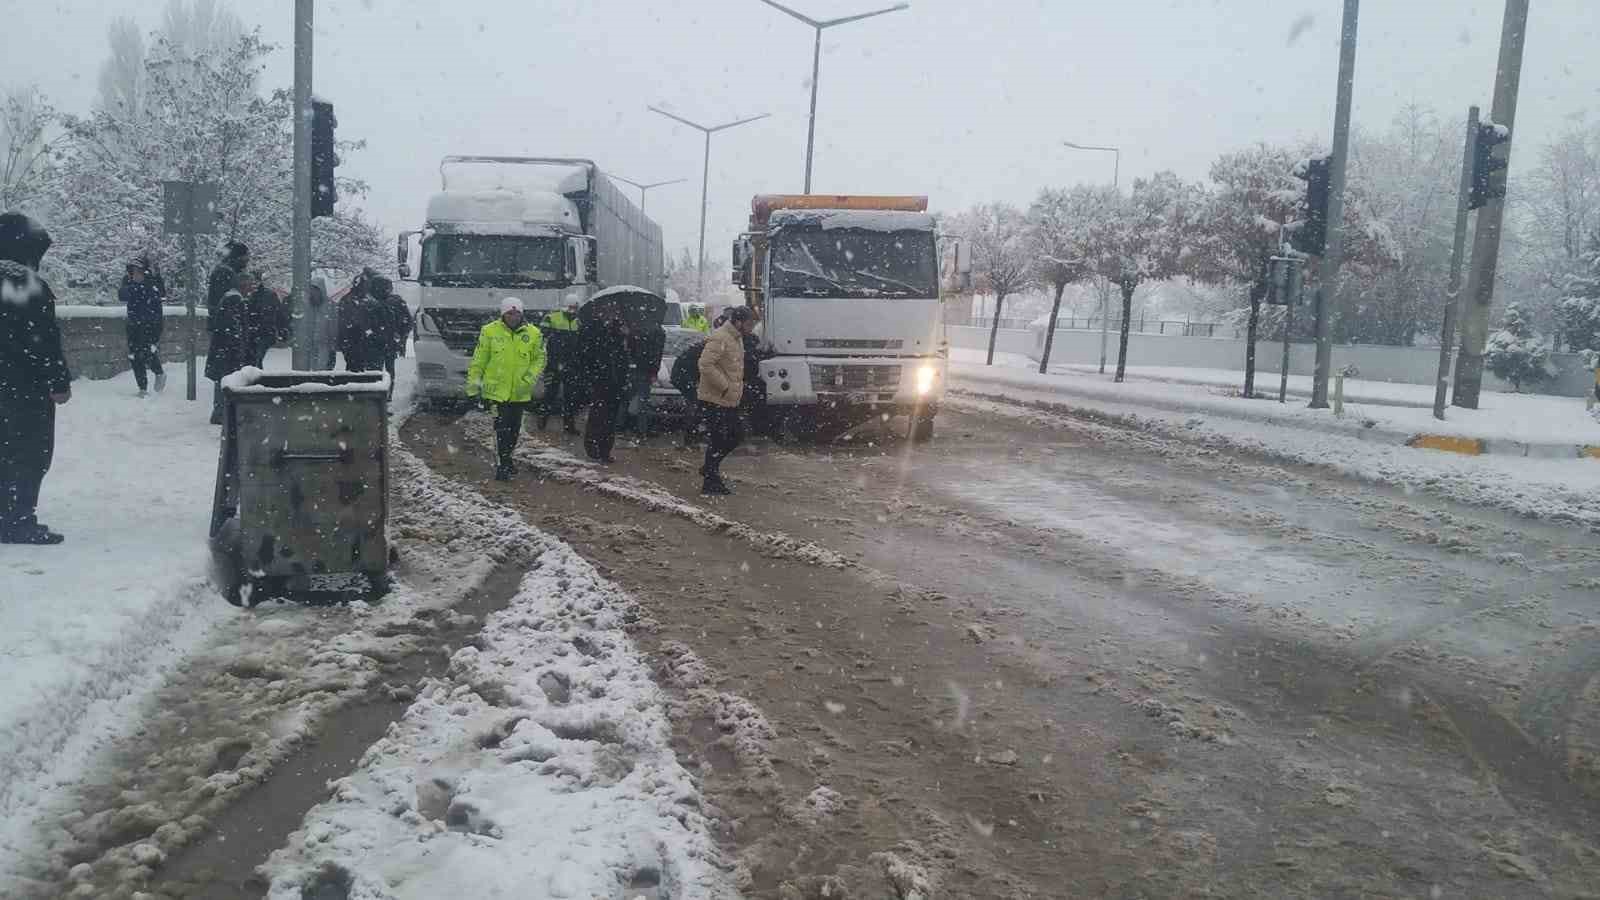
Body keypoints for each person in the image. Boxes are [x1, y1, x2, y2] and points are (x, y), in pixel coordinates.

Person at [0, 213, 71, 544]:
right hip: (24, 388)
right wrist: (58, 382)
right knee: (30, 453)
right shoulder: (28, 286)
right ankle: (18, 519)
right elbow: (43, 340)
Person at [466, 297, 546, 481]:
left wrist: (529, 378)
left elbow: (539, 359)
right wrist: (473, 389)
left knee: (514, 431)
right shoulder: (489, 331)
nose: (513, 316)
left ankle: (507, 458)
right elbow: (478, 362)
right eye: (509, 313)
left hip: (520, 393)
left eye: (516, 312)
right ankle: (502, 465)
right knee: (500, 430)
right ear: (503, 314)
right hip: (495, 393)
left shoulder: (533, 333)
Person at [697, 306, 755, 495]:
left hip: (728, 399)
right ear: (738, 322)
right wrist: (724, 386)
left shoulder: (736, 339)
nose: (751, 327)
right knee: (718, 438)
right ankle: (710, 482)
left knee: (735, 435)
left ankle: (709, 468)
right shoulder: (721, 337)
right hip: (715, 398)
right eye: (748, 323)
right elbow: (705, 364)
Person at [578, 306, 630, 463]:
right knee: (598, 416)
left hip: (616, 383)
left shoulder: (619, 333)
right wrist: (591, 376)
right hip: (600, 381)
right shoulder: (594, 329)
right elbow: (586, 355)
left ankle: (605, 450)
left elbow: (623, 359)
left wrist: (624, 336)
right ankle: (593, 448)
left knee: (610, 419)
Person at [206, 270, 256, 425]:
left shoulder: (230, 297)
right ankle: (221, 413)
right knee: (227, 380)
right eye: (249, 285)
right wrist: (239, 348)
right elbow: (233, 328)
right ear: (243, 284)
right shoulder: (235, 299)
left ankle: (220, 412)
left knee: (223, 379)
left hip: (223, 349)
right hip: (228, 351)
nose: (251, 289)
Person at [120, 256, 166, 396]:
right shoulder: (128, 281)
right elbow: (122, 295)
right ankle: (142, 388)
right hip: (133, 323)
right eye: (133, 271)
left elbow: (159, 294)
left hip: (151, 323)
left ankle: (159, 373)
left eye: (138, 271)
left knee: (147, 352)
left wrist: (141, 285)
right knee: (134, 355)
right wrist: (135, 285)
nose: (135, 274)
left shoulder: (153, 281)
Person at [616, 318, 665, 442]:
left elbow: (628, 351)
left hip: (635, 369)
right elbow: (657, 354)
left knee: (626, 399)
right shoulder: (657, 331)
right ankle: (640, 431)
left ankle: (620, 427)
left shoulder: (634, 328)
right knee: (642, 403)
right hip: (644, 371)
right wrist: (654, 371)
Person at [370, 274, 412, 399]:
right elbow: (408, 322)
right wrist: (400, 337)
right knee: (387, 372)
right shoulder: (396, 301)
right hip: (388, 343)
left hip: (378, 344)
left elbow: (407, 322)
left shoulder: (371, 302)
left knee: (377, 372)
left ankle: (378, 398)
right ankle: (385, 397)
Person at [337, 275, 390, 374]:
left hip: (361, 345)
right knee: (369, 375)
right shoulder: (371, 302)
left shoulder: (349, 300)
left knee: (356, 374)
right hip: (361, 345)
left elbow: (343, 324)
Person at [295, 275, 340, 370]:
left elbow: (334, 326)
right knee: (311, 369)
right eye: (311, 290)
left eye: (315, 290)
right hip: (309, 344)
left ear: (321, 290)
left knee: (322, 369)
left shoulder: (330, 306)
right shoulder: (307, 306)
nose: (313, 292)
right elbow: (302, 324)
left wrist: (332, 343)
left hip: (325, 344)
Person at [247, 271, 289, 369]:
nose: (253, 284)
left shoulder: (269, 295)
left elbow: (279, 314)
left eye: (255, 281)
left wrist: (283, 330)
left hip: (264, 333)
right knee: (253, 360)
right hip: (251, 333)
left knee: (256, 358)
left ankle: (255, 376)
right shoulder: (245, 295)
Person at [669, 338, 707, 447]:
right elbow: (702, 368)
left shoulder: (697, 349)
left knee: (694, 403)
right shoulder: (703, 351)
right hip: (683, 378)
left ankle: (692, 434)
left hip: (681, 377)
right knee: (694, 403)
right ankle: (691, 435)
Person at [206, 240, 249, 329]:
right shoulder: (225, 273)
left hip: (224, 328)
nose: (247, 260)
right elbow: (228, 303)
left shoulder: (225, 272)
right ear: (237, 257)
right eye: (245, 256)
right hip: (226, 329)